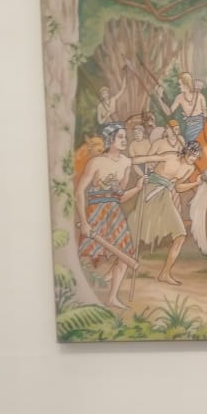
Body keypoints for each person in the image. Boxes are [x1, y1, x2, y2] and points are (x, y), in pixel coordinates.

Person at [75, 123, 143, 309]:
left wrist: (137, 188)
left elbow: (119, 197)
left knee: (124, 255)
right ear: (110, 139)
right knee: (88, 253)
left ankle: (112, 297)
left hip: (115, 213)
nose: (124, 140)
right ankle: (82, 293)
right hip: (96, 212)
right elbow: (79, 192)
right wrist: (84, 222)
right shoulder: (95, 162)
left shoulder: (126, 163)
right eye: (120, 137)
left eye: (125, 137)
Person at [128, 141, 202, 285]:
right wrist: (126, 162)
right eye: (191, 155)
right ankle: (118, 267)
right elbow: (145, 159)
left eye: (196, 157)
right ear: (186, 151)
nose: (193, 159)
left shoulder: (190, 168)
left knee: (180, 235)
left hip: (165, 197)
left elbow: (179, 188)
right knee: (135, 230)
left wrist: (196, 183)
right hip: (150, 192)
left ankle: (165, 274)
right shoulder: (170, 156)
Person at [155, 71, 206, 143]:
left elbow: (205, 115)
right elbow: (168, 112)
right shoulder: (179, 97)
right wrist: (159, 98)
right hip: (189, 131)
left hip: (201, 130)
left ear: (186, 84)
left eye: (180, 84)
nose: (179, 86)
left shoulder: (200, 96)